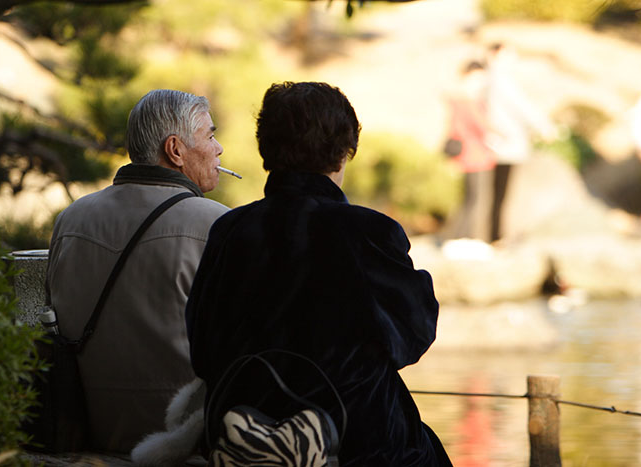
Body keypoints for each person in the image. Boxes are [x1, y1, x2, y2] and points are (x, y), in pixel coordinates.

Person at [185, 81, 452, 466]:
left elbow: (203, 350)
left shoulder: (230, 230)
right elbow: (412, 338)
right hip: (353, 441)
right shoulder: (368, 231)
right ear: (343, 153)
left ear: (266, 150)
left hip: (240, 434)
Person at [45, 89, 229, 453]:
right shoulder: (216, 224)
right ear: (175, 150)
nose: (219, 148)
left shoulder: (71, 218)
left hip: (87, 436)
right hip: (181, 444)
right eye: (210, 135)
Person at [486, 42, 556, 241]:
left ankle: (495, 235)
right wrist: (544, 127)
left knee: (498, 193)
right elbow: (523, 107)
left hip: (499, 144)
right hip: (503, 145)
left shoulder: (494, 79)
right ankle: (495, 236)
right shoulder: (500, 79)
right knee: (500, 193)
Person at [442, 61, 495, 242]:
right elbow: (479, 126)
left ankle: (461, 238)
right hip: (473, 156)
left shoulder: (468, 101)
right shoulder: (465, 101)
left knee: (472, 200)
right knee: (474, 200)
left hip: (476, 155)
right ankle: (462, 239)